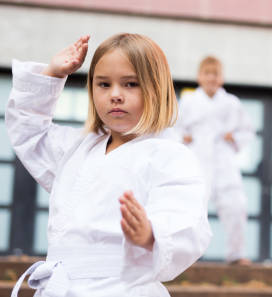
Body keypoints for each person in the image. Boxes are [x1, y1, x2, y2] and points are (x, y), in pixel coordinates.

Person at [7, 34, 211, 296]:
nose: (115, 95)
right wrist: (51, 75)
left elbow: (185, 216)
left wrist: (151, 233)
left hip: (122, 287)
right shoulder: (78, 149)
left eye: (130, 84)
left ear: (157, 89)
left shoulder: (170, 156)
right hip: (61, 287)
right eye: (104, 84)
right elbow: (29, 133)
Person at [175, 56, 254, 265]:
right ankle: (187, 254)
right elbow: (174, 127)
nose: (211, 77)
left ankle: (236, 254)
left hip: (223, 159)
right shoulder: (189, 101)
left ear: (222, 78)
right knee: (192, 206)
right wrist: (183, 138)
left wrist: (234, 138)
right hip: (197, 156)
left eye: (215, 73)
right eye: (207, 73)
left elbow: (247, 129)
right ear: (199, 77)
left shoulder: (231, 103)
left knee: (236, 205)